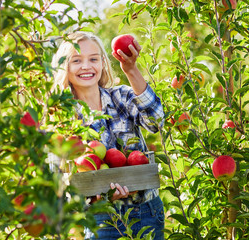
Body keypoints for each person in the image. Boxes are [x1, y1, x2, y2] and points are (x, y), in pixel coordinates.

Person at [51, 31, 165, 240]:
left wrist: (131, 70)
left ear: (103, 63)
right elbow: (57, 180)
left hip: (147, 211)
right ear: (64, 67)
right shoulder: (62, 116)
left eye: (93, 59)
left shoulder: (121, 96)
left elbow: (156, 122)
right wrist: (97, 197)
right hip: (102, 221)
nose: (86, 66)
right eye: (77, 60)